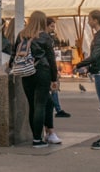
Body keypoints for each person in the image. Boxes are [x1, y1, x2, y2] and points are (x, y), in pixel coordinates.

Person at [14, 11, 60, 147]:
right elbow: (51, 59)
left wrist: (12, 65)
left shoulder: (21, 35)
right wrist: (54, 78)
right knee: (40, 104)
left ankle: (37, 137)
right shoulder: (45, 36)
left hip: (26, 72)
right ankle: (37, 139)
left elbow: (13, 53)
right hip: (42, 72)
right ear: (42, 21)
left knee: (32, 105)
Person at [74, 9, 100, 150]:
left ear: (95, 20)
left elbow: (96, 56)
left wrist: (80, 64)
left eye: (90, 19)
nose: (89, 21)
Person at [46, 17, 70, 118]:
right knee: (53, 89)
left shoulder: (50, 37)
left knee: (53, 90)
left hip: (47, 67)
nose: (53, 29)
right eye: (51, 26)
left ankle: (56, 109)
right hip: (47, 68)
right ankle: (57, 109)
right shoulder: (47, 39)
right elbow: (50, 56)